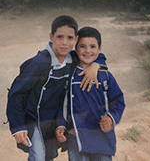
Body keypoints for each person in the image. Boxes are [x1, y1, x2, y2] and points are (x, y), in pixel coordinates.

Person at [6, 16, 107, 161]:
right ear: (51, 37)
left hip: (52, 120)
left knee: (47, 156)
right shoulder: (39, 62)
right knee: (38, 157)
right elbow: (16, 94)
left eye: (70, 38)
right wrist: (17, 126)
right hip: (32, 119)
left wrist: (96, 65)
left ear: (76, 39)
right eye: (60, 37)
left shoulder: (71, 59)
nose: (65, 42)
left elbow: (95, 54)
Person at [56, 26, 125, 161]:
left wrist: (111, 119)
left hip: (101, 137)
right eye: (82, 46)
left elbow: (118, 101)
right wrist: (60, 124)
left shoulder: (106, 76)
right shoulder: (69, 75)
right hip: (76, 137)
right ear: (76, 48)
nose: (88, 51)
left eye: (93, 46)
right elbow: (62, 104)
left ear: (99, 49)